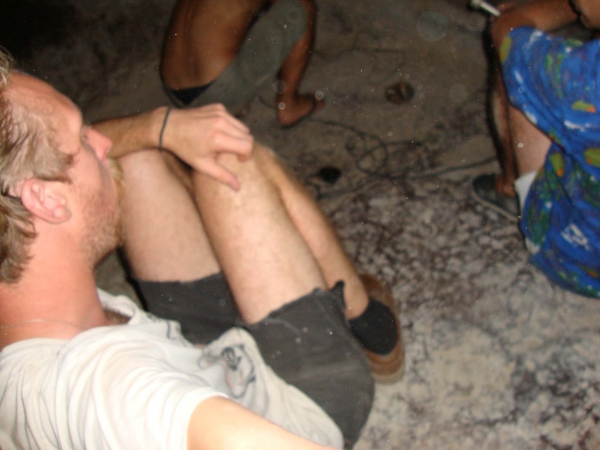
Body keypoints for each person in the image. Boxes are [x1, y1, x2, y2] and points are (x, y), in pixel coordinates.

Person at [0, 47, 402, 449]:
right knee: (235, 160)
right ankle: (370, 323)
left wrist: (159, 126)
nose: (102, 141)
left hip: (199, 353)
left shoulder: (30, 304)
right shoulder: (119, 396)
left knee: (135, 160)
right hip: (299, 410)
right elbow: (156, 413)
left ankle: (241, 290)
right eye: (82, 138)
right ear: (45, 199)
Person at [471, 0, 600, 296]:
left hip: (583, 265)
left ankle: (509, 187)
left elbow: (507, 32)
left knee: (524, 63)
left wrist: (519, 16)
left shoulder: (583, 77)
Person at [161, 0, 324, 127]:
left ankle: (234, 102)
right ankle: (289, 107)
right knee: (300, 7)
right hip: (216, 91)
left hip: (174, 83)